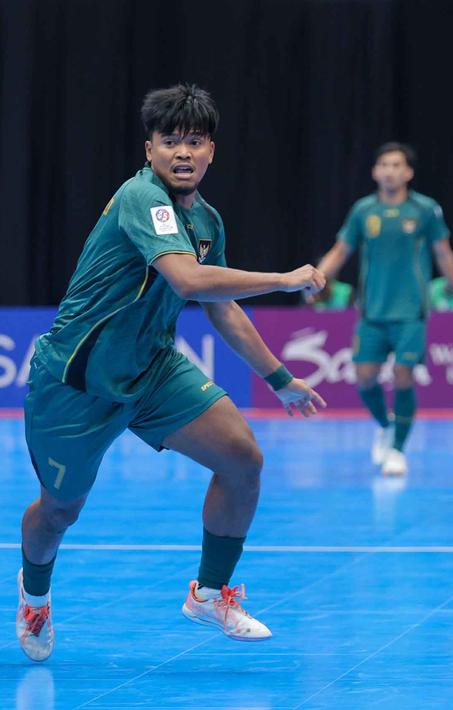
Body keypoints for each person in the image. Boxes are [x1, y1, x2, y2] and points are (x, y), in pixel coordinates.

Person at [16, 84, 327, 662]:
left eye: (194, 141)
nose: (182, 153)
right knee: (58, 511)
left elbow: (221, 308)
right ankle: (34, 593)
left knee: (242, 458)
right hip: (76, 382)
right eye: (170, 142)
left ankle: (211, 593)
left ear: (212, 150)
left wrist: (279, 378)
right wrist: (284, 280)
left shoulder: (205, 219)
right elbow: (188, 280)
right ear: (149, 149)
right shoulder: (143, 197)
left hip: (152, 368)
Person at [315, 143, 453, 477]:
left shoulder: (425, 210)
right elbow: (340, 250)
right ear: (375, 172)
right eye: (384, 165)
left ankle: (398, 450)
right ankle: (385, 424)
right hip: (371, 313)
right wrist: (316, 279)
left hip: (410, 313)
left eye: (396, 165)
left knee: (404, 377)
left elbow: (445, 255)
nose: (390, 171)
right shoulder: (364, 211)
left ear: (408, 173)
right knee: (365, 379)